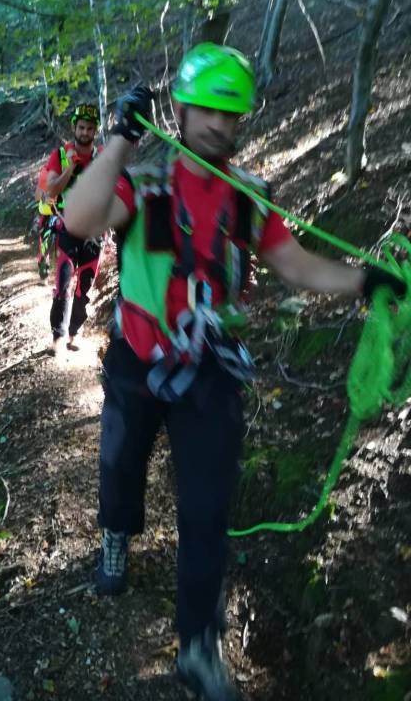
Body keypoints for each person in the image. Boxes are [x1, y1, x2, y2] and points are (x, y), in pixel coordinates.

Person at [63, 44, 405, 701]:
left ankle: (198, 645)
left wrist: (365, 280)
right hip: (138, 357)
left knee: (208, 507)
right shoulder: (147, 183)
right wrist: (116, 142)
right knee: (120, 464)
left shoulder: (249, 195)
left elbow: (296, 264)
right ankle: (116, 535)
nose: (222, 125)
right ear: (184, 110)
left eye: (234, 114)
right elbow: (78, 220)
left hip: (211, 369)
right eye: (211, 110)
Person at [44, 103, 103, 354]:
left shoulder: (102, 157)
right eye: (81, 127)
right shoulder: (59, 155)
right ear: (74, 128)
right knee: (64, 282)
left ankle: (74, 333)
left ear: (95, 131)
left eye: (90, 128)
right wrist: (71, 168)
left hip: (94, 231)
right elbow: (51, 190)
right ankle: (58, 336)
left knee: (85, 285)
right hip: (68, 228)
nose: (85, 132)